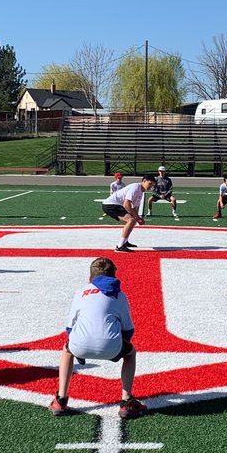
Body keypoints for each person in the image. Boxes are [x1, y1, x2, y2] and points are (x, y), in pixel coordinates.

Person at [50, 256, 147, 419]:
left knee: (67, 350)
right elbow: (128, 330)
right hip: (111, 345)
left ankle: (61, 399)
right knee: (131, 353)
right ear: (114, 277)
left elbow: (70, 327)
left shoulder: (80, 292)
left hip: (79, 344)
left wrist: (80, 349)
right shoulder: (120, 295)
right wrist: (116, 348)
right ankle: (126, 401)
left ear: (90, 278)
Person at [103, 173, 154, 252]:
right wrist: (137, 218)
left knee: (132, 221)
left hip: (115, 205)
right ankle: (120, 246)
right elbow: (126, 204)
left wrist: (138, 218)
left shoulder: (140, 192)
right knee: (131, 220)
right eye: (150, 184)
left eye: (152, 185)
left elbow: (134, 207)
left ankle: (125, 241)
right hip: (110, 205)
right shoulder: (136, 187)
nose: (150, 187)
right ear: (144, 181)